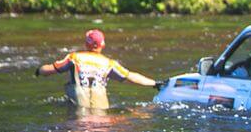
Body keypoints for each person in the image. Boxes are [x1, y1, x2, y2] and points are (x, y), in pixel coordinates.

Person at [35, 29, 163, 109]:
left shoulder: (74, 58)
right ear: (103, 45)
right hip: (101, 109)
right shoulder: (108, 63)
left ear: (86, 44)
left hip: (79, 108)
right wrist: (154, 83)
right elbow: (130, 77)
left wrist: (38, 70)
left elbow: (49, 70)